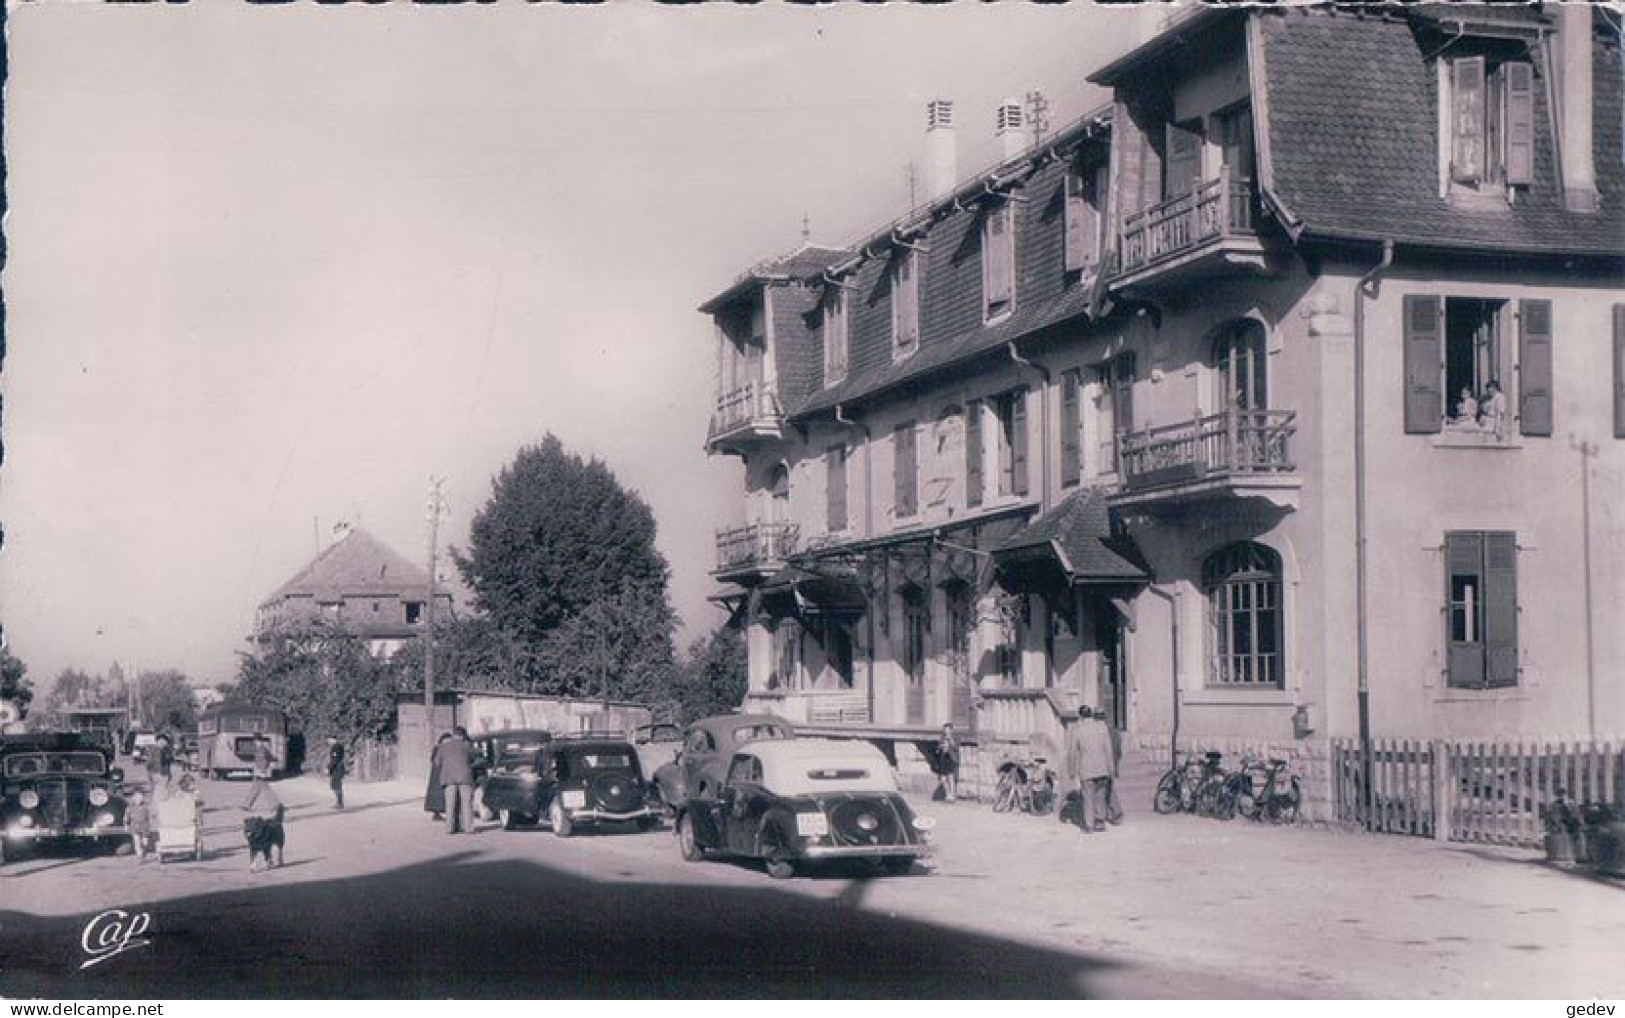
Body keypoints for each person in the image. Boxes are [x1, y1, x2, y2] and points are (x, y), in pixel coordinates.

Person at [1065, 706, 1116, 834]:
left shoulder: (1077, 730)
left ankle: (1089, 825)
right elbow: (1108, 750)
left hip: (1086, 769)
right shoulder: (1101, 728)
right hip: (1102, 768)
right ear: (1091, 715)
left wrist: (1071, 770)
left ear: (1080, 716)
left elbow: (1072, 752)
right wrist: (1111, 769)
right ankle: (1100, 822)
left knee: (1088, 797)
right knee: (1100, 796)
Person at [433, 727, 475, 835]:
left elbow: (436, 763)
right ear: (462, 736)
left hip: (448, 777)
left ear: (454, 735)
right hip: (465, 777)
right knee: (467, 803)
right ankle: (468, 828)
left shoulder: (442, 747)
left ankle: (450, 828)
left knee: (450, 803)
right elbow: (473, 759)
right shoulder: (466, 747)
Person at [424, 732, 452, 821]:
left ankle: (437, 813)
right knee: (440, 794)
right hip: (439, 773)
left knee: (437, 794)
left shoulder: (438, 748)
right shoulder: (440, 748)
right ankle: (438, 813)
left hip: (436, 774)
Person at [931, 723, 961, 803]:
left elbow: (956, 748)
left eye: (947, 729)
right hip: (943, 758)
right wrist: (940, 747)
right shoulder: (942, 738)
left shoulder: (955, 738)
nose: (946, 731)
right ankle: (948, 794)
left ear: (951, 730)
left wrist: (950, 740)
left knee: (951, 777)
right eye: (945, 729)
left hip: (951, 759)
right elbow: (938, 749)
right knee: (943, 778)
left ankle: (952, 795)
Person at [127, 790, 152, 863]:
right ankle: (140, 856)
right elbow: (127, 817)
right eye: (137, 797)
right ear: (134, 798)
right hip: (135, 827)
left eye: (140, 797)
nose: (139, 799)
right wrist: (127, 825)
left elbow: (151, 816)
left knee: (145, 842)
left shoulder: (146, 806)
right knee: (137, 842)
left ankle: (144, 854)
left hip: (144, 827)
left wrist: (150, 823)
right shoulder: (130, 807)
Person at [327, 738, 347, 810]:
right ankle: (339, 802)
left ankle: (340, 803)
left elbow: (335, 759)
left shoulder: (336, 747)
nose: (328, 741)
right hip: (337, 768)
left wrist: (329, 768)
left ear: (333, 739)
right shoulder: (337, 746)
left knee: (336, 785)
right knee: (334, 785)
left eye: (329, 740)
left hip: (338, 768)